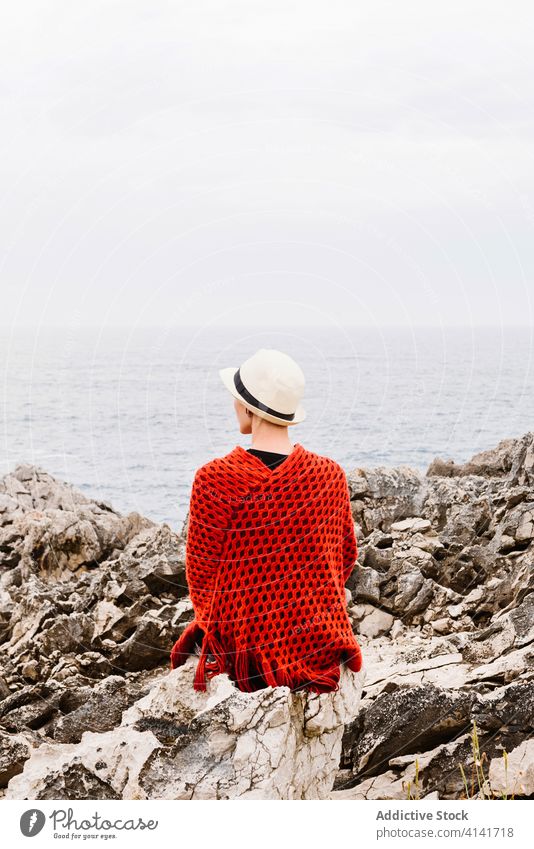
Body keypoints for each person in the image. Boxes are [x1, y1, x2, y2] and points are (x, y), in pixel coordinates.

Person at [169, 348, 363, 694]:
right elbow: (344, 556)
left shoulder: (214, 479)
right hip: (316, 637)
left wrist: (255, 608)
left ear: (248, 407)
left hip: (244, 650)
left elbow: (201, 576)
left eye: (235, 398)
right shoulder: (330, 476)